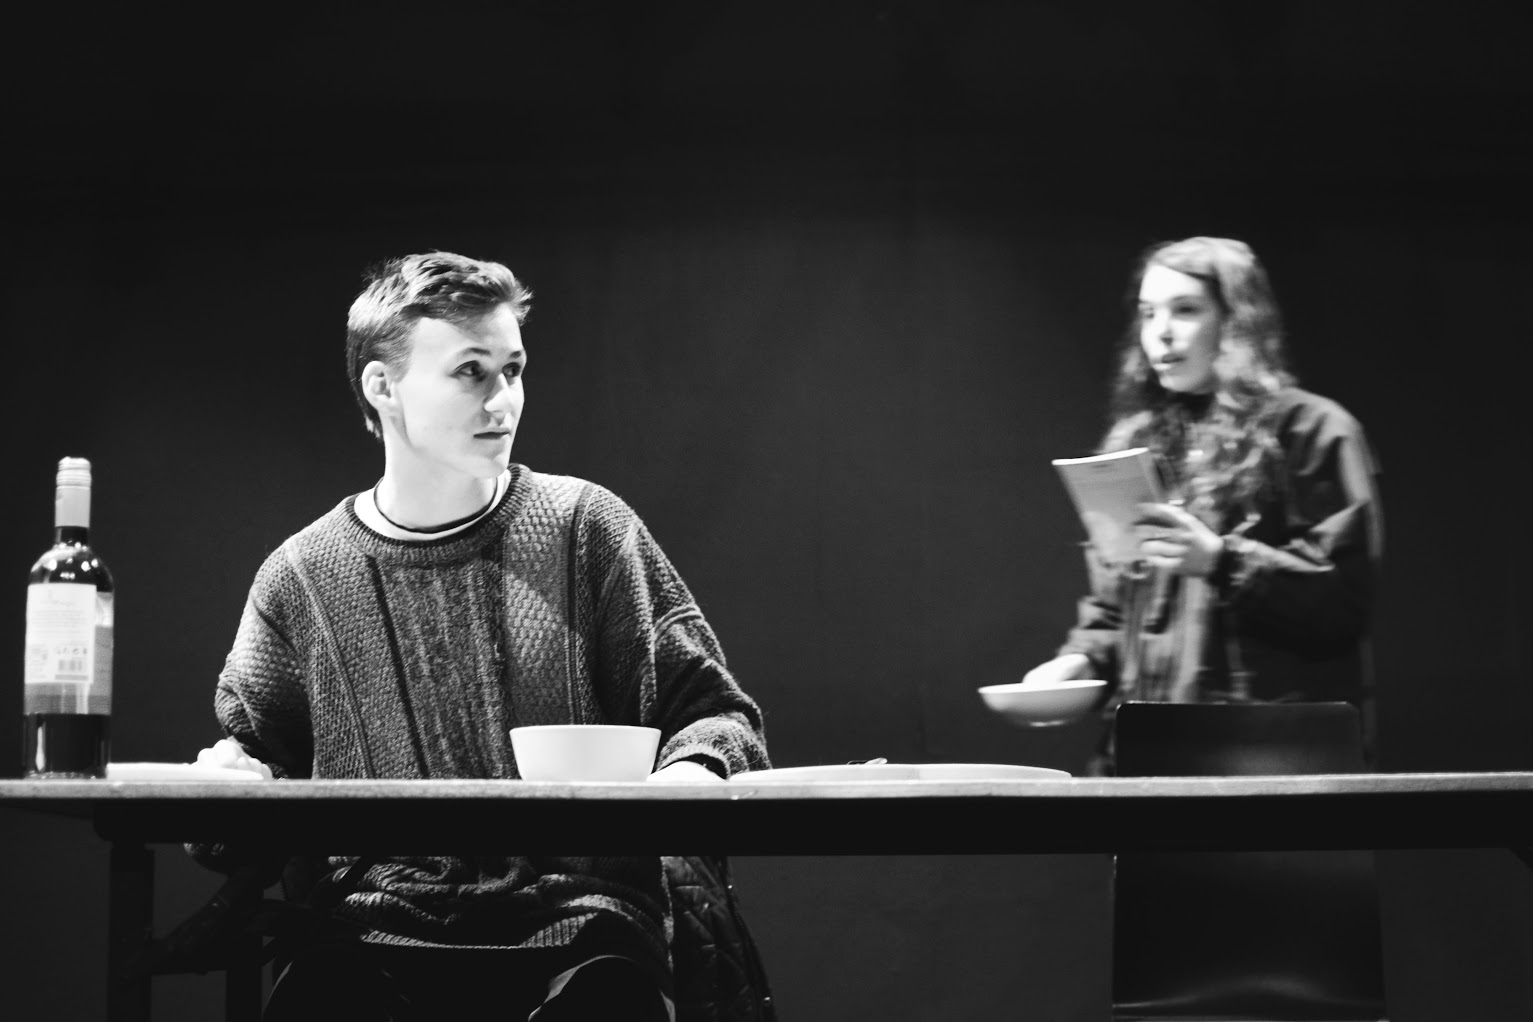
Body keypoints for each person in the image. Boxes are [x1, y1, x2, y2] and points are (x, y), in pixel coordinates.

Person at [191, 251, 773, 1020]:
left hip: (582, 926)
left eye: (513, 369)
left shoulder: (586, 528)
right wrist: (229, 784)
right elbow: (245, 801)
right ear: (382, 386)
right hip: (367, 934)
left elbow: (718, 716)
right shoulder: (301, 575)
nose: (503, 399)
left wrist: (691, 775)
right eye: (471, 372)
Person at [1024, 236, 1383, 772]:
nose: (1161, 332)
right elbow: (1116, 606)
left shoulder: (1311, 430)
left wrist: (1221, 561)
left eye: (1185, 310)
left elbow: (1341, 599)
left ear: (1237, 321)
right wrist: (1080, 661)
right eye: (1148, 313)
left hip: (1266, 759)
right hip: (1149, 756)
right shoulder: (1140, 444)